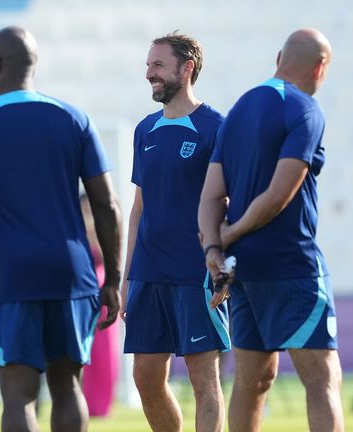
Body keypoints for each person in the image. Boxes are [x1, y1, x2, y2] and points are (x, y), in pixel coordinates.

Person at [0, 26, 123, 432]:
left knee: (18, 395)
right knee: (69, 387)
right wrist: (115, 279)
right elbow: (106, 204)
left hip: (12, 277)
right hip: (72, 275)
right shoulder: (74, 119)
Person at [198, 28, 342, 432]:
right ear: (320, 67)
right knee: (321, 378)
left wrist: (214, 249)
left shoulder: (239, 110)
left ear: (279, 57)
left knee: (253, 381)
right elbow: (280, 194)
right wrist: (226, 236)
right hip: (290, 264)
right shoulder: (305, 110)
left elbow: (210, 197)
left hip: (243, 270)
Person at [121, 33, 229, 432]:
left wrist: (226, 265)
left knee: (205, 380)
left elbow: (230, 205)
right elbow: (138, 209)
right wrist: (126, 276)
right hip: (148, 275)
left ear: (187, 69)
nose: (149, 73)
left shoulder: (216, 127)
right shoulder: (144, 130)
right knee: (146, 379)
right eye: (148, 65)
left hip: (196, 273)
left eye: (157, 65)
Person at [79, 193, 119, 418]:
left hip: (102, 290)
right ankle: (86, 400)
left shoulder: (103, 226)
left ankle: (102, 404)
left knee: (104, 352)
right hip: (83, 289)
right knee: (86, 351)